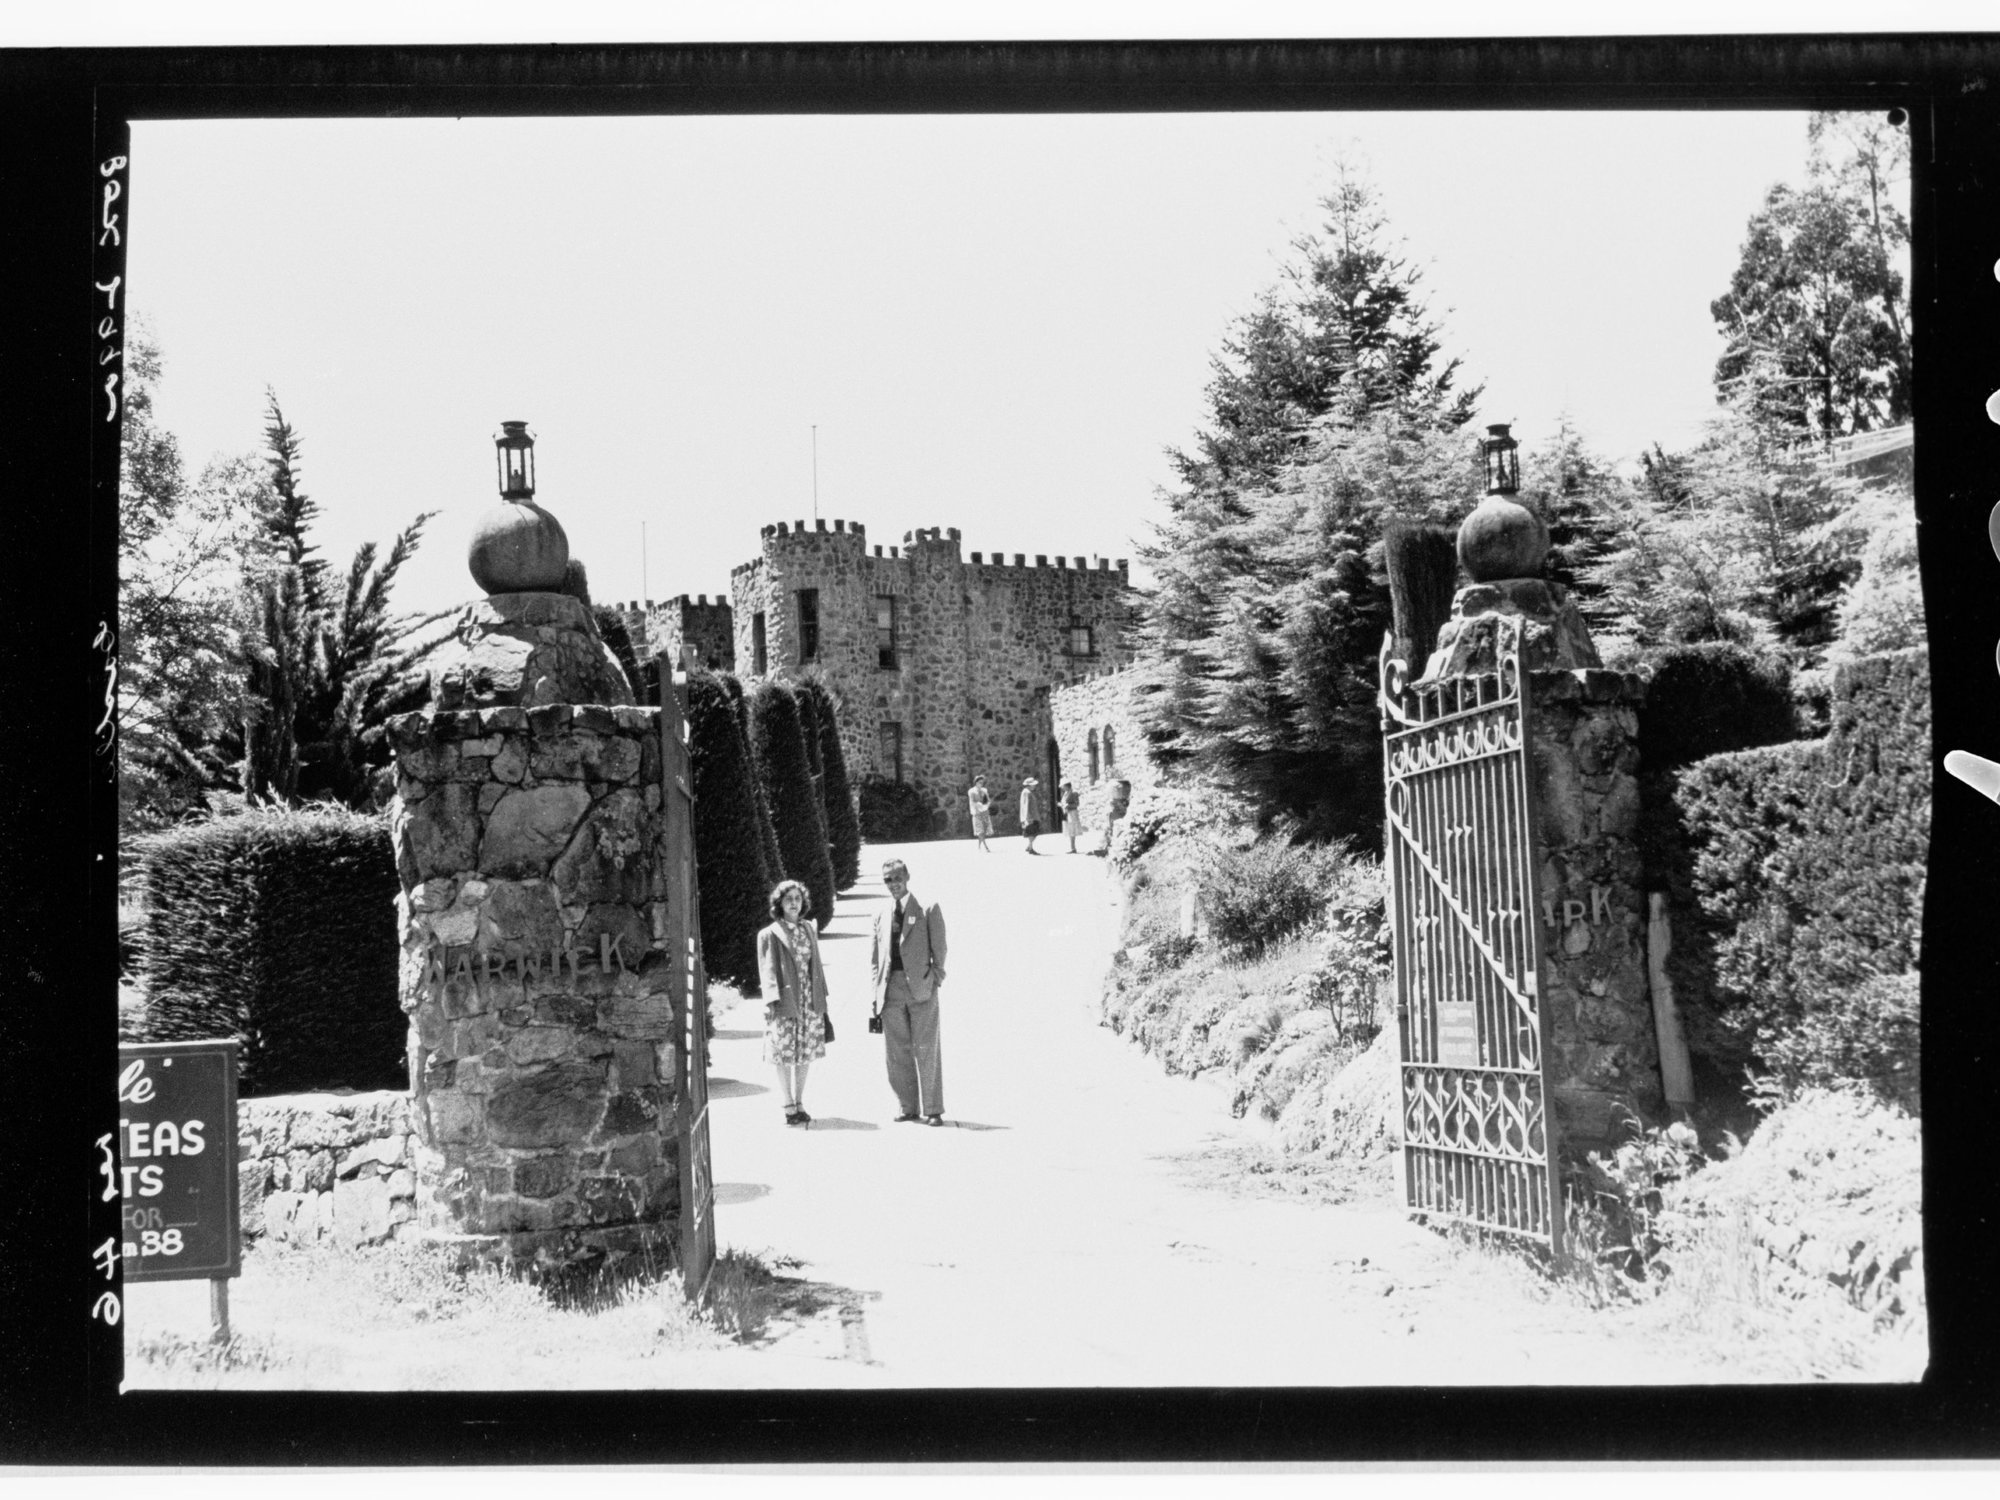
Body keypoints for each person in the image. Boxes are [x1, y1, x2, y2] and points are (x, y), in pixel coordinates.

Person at [869, 857, 948, 1125]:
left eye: (897, 878)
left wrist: (934, 978)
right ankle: (907, 1106)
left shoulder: (926, 908)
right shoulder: (881, 914)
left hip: (921, 988)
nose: (893, 884)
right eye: (888, 880)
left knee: (926, 1048)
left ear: (907, 877)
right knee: (897, 1051)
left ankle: (933, 1109)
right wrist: (875, 994)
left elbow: (941, 949)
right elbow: (875, 959)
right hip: (891, 990)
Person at [757, 879, 830, 1127]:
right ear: (780, 903)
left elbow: (816, 964)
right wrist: (770, 1002)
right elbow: (767, 972)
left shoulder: (808, 928)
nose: (794, 903)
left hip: (809, 999)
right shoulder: (769, 934)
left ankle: (799, 1101)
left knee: (806, 1051)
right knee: (784, 1053)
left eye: (798, 899)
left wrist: (823, 997)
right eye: (789, 899)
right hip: (786, 1000)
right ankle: (787, 1103)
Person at [1102, 778, 1131, 860]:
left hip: (1117, 814)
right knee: (1111, 829)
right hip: (1114, 814)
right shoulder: (1116, 800)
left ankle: (1111, 847)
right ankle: (1109, 846)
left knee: (1115, 829)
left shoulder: (1122, 800)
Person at [967, 775, 994, 852]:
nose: (981, 784)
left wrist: (986, 805)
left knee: (984, 831)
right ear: (976, 783)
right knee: (980, 830)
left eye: (982, 783)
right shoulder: (971, 791)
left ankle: (979, 846)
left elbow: (988, 800)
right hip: (977, 812)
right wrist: (978, 805)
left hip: (984, 812)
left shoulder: (984, 790)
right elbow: (971, 802)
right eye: (979, 782)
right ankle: (985, 846)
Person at [1019, 776, 1044, 854]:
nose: (1034, 786)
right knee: (1032, 832)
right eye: (1033, 784)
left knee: (1034, 832)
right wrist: (1027, 818)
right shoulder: (1027, 792)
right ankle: (1030, 847)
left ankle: (1029, 846)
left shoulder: (1028, 792)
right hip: (1031, 816)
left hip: (1034, 816)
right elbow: (1025, 805)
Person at [1059, 779, 1082, 853]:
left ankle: (1073, 847)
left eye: (1063, 786)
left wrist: (1067, 805)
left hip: (1072, 812)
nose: (1062, 788)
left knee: (1072, 829)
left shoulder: (1073, 793)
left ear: (1066, 785)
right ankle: (1072, 847)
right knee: (1069, 829)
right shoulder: (1066, 793)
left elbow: (1076, 804)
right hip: (1067, 813)